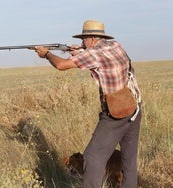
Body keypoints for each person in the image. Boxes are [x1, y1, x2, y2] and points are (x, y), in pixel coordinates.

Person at [34, 20, 142, 188]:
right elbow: (99, 57)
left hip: (115, 112)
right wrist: (79, 51)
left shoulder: (94, 54)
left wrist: (46, 54)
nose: (81, 42)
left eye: (84, 39)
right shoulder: (114, 45)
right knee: (129, 159)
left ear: (91, 38)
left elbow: (61, 65)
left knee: (92, 158)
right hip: (133, 106)